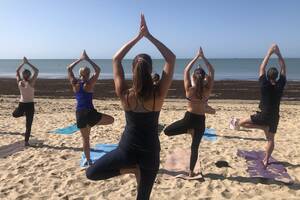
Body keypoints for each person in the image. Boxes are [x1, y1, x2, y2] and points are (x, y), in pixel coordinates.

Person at [86, 14, 176, 200]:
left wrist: (137, 37)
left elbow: (116, 60)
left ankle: (129, 169)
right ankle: (133, 169)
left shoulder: (125, 94)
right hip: (150, 153)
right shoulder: (157, 95)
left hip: (126, 151)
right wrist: (148, 36)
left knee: (91, 173)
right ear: (151, 71)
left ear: (133, 71)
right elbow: (171, 58)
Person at [229, 44, 287, 168]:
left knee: (241, 123)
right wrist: (278, 53)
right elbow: (283, 67)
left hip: (263, 115)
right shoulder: (280, 85)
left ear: (267, 75)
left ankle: (261, 127)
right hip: (274, 117)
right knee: (270, 139)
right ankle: (266, 159)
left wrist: (269, 53)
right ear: (276, 77)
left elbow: (262, 67)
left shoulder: (264, 84)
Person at [164, 47, 215, 177]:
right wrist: (202, 57)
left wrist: (196, 57)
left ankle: (188, 130)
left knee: (167, 131)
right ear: (204, 78)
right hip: (200, 121)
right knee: (195, 147)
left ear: (194, 77)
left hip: (188, 119)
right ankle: (191, 172)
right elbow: (212, 71)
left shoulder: (189, 90)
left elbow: (186, 70)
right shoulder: (207, 90)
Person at [67, 50, 114, 166]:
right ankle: (92, 123)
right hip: (90, 113)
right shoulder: (90, 83)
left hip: (79, 114)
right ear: (88, 74)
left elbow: (69, 69)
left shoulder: (75, 83)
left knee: (86, 140)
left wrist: (80, 59)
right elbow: (98, 70)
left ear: (80, 74)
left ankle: (88, 161)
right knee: (111, 120)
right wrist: (87, 59)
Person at [13, 57, 39, 146]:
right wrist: (27, 63)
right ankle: (26, 142)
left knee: (15, 115)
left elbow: (17, 71)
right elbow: (37, 70)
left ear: (23, 75)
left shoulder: (20, 82)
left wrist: (23, 63)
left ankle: (26, 142)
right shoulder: (31, 82)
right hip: (29, 105)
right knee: (28, 124)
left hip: (22, 104)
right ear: (29, 75)